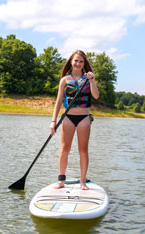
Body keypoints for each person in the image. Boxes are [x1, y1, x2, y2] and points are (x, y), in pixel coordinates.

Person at [50, 50, 99, 190]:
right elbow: (58, 102)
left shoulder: (88, 79)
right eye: (76, 61)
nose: (78, 64)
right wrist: (53, 121)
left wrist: (92, 80)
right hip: (68, 117)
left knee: (83, 150)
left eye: (81, 61)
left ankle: (83, 182)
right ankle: (61, 181)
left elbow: (95, 96)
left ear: (84, 64)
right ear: (71, 62)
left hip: (84, 117)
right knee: (65, 149)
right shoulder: (64, 80)